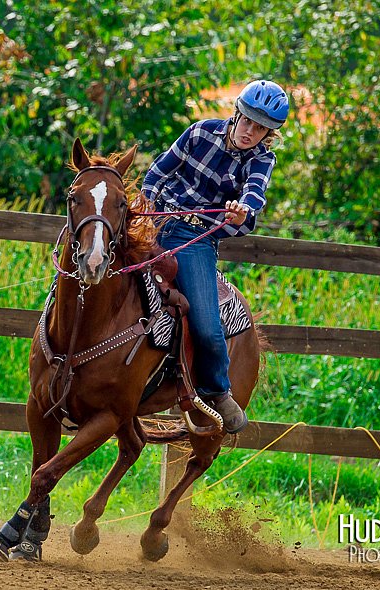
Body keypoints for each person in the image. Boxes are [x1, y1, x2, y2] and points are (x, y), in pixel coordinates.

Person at [141, 79, 289, 433]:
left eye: (261, 128)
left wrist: (240, 214)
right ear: (236, 113)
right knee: (98, 261)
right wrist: (146, 203)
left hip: (195, 239)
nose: (250, 132)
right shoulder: (199, 132)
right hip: (156, 220)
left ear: (269, 133)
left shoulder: (261, 160)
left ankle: (218, 391)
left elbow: (253, 199)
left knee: (208, 327)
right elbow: (158, 172)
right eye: (248, 121)